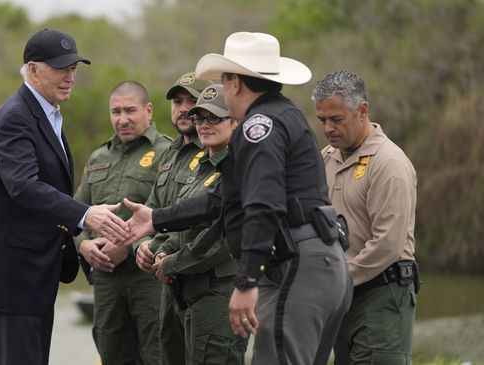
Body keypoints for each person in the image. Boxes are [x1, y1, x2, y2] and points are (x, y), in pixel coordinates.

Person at [122, 32, 353, 365]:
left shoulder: (259, 126)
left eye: (223, 79)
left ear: (234, 82)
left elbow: (263, 206)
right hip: (320, 262)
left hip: (297, 265)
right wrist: (156, 218)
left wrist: (245, 282)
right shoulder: (281, 115)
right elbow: (222, 199)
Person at [0, 29, 128, 365]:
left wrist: (81, 236)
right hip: (10, 278)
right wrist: (85, 215)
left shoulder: (49, 114)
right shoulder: (15, 117)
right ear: (32, 69)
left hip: (34, 276)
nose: (70, 77)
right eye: (60, 68)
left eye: (74, 68)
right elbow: (23, 187)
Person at [313, 70, 419, 364]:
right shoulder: (328, 156)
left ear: (362, 110)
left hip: (381, 292)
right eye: (322, 120)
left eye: (336, 119)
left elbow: (388, 243)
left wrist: (338, 278)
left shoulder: (390, 163)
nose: (328, 128)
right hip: (342, 294)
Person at [73, 81, 171, 364]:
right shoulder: (98, 158)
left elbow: (173, 212)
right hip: (106, 281)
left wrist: (127, 246)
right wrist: (84, 246)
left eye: (130, 110)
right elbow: (76, 212)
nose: (122, 119)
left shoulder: (169, 152)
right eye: (116, 111)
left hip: (148, 276)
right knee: (111, 352)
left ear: (149, 111)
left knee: (156, 353)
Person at [152, 84, 247, 364]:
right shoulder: (199, 166)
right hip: (185, 292)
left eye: (214, 118)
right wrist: (163, 250)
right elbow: (185, 224)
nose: (204, 125)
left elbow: (222, 239)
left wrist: (170, 263)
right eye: (199, 118)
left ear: (236, 121)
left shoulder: (239, 167)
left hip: (220, 292)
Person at [133, 71, 211, 365]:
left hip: (204, 281)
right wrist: (141, 245)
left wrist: (161, 249)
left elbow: (208, 221)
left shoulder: (216, 152)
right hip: (167, 286)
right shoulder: (169, 153)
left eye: (193, 101)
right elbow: (152, 210)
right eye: (177, 101)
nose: (183, 108)